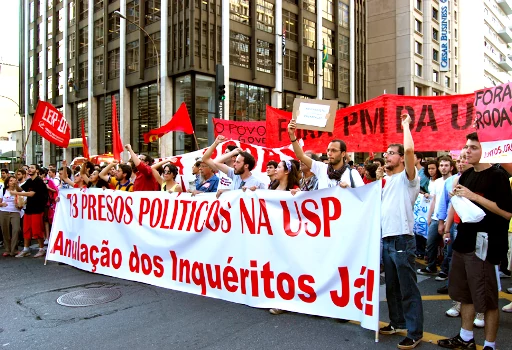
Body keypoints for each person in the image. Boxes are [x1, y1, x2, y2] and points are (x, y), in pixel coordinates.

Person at [437, 132, 512, 350]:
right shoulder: (467, 174)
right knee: (465, 294)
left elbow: (507, 213)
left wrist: (474, 196)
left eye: (474, 147)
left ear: (486, 150)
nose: (467, 151)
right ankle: (465, 337)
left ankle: (490, 344)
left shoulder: (497, 176)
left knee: (487, 298)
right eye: (466, 146)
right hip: (464, 241)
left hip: (486, 246)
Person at [379, 113, 423, 350]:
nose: (387, 155)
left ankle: (415, 332)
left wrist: (405, 125)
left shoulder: (409, 178)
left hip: (402, 239)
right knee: (393, 288)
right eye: (385, 152)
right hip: (387, 239)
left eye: (391, 152)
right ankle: (397, 322)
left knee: (408, 289)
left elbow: (408, 152)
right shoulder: (386, 181)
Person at [266, 159, 300, 315]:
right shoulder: (271, 187)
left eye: (278, 167)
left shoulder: (294, 189)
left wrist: (298, 195)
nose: (275, 170)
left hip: (287, 236)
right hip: (271, 235)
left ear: (286, 171)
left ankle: (284, 301)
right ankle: (272, 295)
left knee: (286, 268)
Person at [287, 120, 364, 189]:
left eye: (334, 150)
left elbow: (363, 196)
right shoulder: (321, 168)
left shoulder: (352, 173)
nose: (329, 153)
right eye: (328, 150)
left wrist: (349, 189)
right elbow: (301, 156)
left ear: (343, 154)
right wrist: (292, 135)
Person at [418, 156, 454, 276]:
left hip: (449, 219)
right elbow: (434, 200)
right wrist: (429, 216)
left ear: (451, 167)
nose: (443, 168)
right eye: (442, 165)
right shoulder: (437, 182)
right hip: (435, 217)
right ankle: (431, 266)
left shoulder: (454, 181)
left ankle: (445, 270)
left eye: (446, 165)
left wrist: (446, 222)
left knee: (447, 248)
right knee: (431, 243)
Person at [10, 164, 48, 258]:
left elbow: (31, 194)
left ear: (37, 170)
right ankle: (26, 249)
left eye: (32, 168)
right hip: (29, 208)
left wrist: (16, 193)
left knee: (37, 230)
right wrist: (15, 183)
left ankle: (41, 249)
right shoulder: (29, 181)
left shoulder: (38, 181)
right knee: (26, 229)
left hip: (37, 209)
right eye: (29, 168)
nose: (30, 169)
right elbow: (21, 189)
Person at [0, 175, 24, 256]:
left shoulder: (19, 190)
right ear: (7, 183)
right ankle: (7, 249)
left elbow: (23, 201)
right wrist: (2, 204)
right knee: (5, 230)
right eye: (11, 180)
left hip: (15, 212)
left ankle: (14, 249)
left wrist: (19, 204)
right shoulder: (3, 190)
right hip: (4, 212)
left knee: (16, 230)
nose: (13, 182)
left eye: (14, 180)